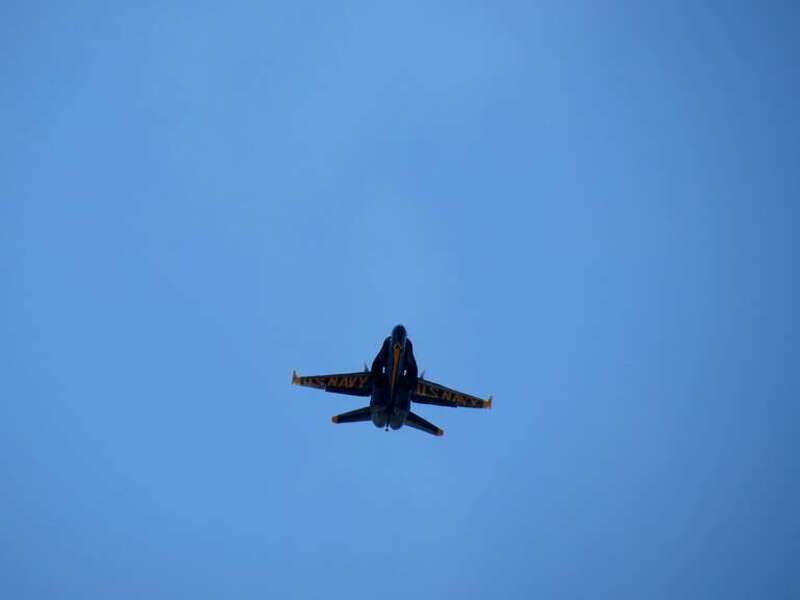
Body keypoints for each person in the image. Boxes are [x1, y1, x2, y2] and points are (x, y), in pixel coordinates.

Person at [370, 324, 418, 390]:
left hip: (399, 385)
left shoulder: (407, 345)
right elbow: (378, 362)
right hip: (388, 385)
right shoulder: (388, 343)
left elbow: (412, 366)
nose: (398, 337)